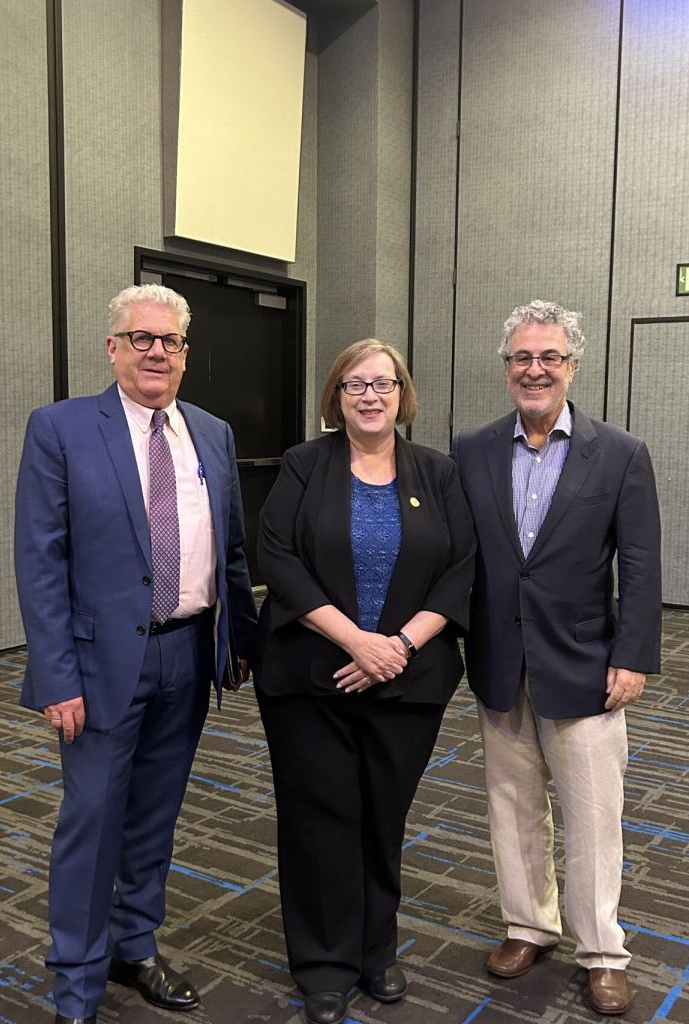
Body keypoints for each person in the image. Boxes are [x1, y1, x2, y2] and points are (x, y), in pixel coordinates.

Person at [14, 284, 257, 1024]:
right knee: (91, 823)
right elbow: (40, 561)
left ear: (185, 354)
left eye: (170, 341)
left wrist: (238, 640)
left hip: (187, 656)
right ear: (113, 347)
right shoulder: (60, 429)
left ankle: (135, 947)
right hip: (97, 669)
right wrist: (56, 675)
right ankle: (77, 986)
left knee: (155, 816)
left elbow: (233, 548)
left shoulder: (211, 433)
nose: (156, 351)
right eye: (140, 338)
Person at [252, 339, 475, 1024]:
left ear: (402, 393)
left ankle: (376, 950)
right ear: (337, 397)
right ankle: (323, 962)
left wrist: (400, 645)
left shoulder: (436, 472)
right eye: (355, 385)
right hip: (309, 677)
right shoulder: (303, 464)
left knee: (383, 816)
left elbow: (462, 566)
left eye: (383, 383)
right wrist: (354, 640)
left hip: (409, 679)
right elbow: (277, 556)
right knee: (321, 820)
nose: (370, 396)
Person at [451, 300, 661, 1016]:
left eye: (549, 358)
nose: (534, 369)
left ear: (572, 366)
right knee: (512, 806)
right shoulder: (471, 449)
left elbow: (639, 565)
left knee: (594, 814)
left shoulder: (620, 453)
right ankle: (527, 924)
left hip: (585, 664)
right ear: (506, 367)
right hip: (500, 661)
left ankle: (602, 949)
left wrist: (631, 655)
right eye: (521, 358)